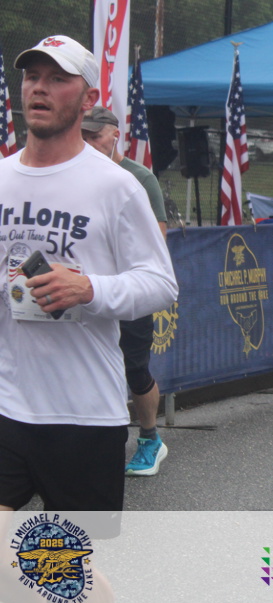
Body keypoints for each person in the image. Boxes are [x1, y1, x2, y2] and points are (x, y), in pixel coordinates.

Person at [1, 35, 177, 512]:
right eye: (33, 77)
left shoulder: (116, 186)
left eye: (58, 79)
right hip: (7, 405)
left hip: (83, 414)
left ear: (88, 98)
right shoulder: (2, 178)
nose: (40, 88)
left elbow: (161, 283)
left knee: (70, 560)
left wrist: (88, 288)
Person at [81, 106, 171, 476]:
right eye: (83, 135)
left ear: (114, 135)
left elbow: (158, 240)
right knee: (87, 368)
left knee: (134, 368)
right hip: (86, 295)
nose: (88, 142)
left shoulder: (139, 178)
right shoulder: (78, 175)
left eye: (95, 135)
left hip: (128, 293)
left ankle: (150, 439)